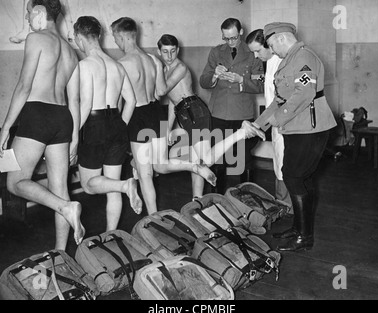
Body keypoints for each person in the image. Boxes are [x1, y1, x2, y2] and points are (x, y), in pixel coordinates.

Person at [110, 17, 217, 215]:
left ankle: (154, 218)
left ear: (121, 36)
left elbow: (121, 100)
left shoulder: (121, 64)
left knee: (146, 174)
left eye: (115, 38)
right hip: (156, 111)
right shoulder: (153, 61)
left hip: (139, 113)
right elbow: (160, 92)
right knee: (160, 164)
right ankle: (193, 166)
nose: (115, 42)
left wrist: (117, 126)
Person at [0, 0, 84, 249]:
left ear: (39, 12)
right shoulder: (72, 52)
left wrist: (6, 127)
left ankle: (66, 208)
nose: (27, 19)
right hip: (63, 118)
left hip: (37, 113)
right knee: (60, 188)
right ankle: (62, 252)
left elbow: (24, 86)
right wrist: (75, 140)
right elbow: (75, 99)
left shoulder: (36, 39)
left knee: (15, 183)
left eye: (28, 14)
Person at [253, 22, 337, 251]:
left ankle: (305, 237)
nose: (272, 50)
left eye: (271, 45)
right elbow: (279, 98)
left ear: (281, 38)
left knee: (293, 175)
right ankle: (299, 229)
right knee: (301, 178)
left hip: (310, 129)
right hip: (297, 129)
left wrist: (277, 119)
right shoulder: (288, 61)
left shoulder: (304, 58)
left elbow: (305, 93)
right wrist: (257, 123)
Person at [152, 34, 265, 199]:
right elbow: (172, 101)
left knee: (205, 159)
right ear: (159, 51)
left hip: (195, 112)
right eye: (165, 52)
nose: (169, 56)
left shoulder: (179, 68)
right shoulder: (165, 70)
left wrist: (154, 64)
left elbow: (160, 92)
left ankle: (241, 132)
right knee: (199, 159)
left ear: (178, 50)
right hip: (183, 113)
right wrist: (169, 128)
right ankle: (197, 200)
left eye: (173, 51)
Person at [73, 16, 143, 232]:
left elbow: (84, 105)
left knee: (88, 184)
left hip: (93, 124)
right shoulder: (117, 66)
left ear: (79, 38)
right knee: (111, 188)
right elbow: (131, 101)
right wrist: (119, 124)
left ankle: (125, 185)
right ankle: (112, 235)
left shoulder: (84, 65)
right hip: (116, 122)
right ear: (100, 36)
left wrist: (74, 137)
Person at [199, 18, 265, 193]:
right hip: (218, 112)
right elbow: (203, 81)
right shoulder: (216, 52)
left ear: (241, 32)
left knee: (244, 160)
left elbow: (260, 85)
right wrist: (214, 75)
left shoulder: (253, 52)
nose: (230, 42)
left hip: (242, 114)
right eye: (226, 38)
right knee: (217, 159)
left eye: (233, 38)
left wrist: (241, 80)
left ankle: (247, 198)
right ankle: (217, 199)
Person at [246, 29, 293, 213]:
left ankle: (286, 207)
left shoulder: (281, 63)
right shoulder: (270, 62)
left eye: (258, 51)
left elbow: (279, 101)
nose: (256, 56)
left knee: (283, 166)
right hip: (275, 122)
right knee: (278, 165)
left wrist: (258, 124)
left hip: (284, 123)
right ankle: (283, 205)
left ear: (269, 46)